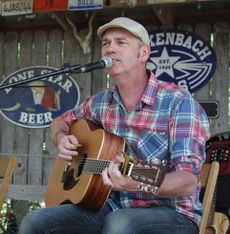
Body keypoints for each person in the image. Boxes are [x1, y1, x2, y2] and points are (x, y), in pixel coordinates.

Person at [19, 17, 210, 234]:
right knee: (34, 222)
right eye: (106, 43)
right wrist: (61, 138)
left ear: (144, 54)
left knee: (120, 224)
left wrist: (135, 183)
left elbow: (187, 181)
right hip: (111, 206)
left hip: (172, 212)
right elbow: (60, 121)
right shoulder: (101, 102)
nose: (110, 49)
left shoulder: (179, 102)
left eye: (121, 42)